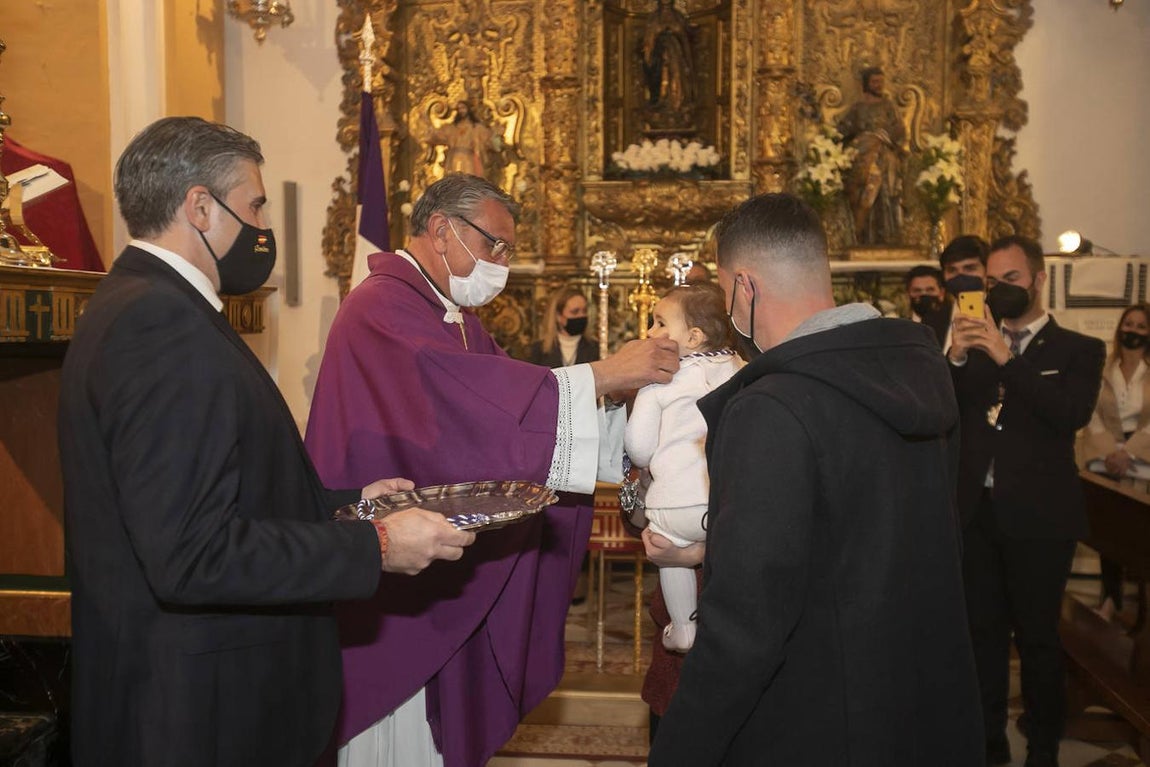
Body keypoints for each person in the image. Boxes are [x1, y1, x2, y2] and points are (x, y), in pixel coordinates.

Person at [56, 117, 475, 767]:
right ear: (200, 207)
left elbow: (216, 492)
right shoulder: (160, 325)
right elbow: (192, 553)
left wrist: (348, 502)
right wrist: (378, 545)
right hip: (201, 719)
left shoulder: (143, 304)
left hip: (198, 703)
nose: (260, 226)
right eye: (252, 205)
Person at [304, 173, 679, 767]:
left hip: (426, 563)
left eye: (509, 248)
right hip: (390, 581)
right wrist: (604, 375)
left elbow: (507, 409)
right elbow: (479, 407)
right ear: (440, 229)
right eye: (494, 245)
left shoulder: (446, 313)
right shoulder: (382, 305)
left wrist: (631, 423)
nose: (502, 262)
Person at [647, 193, 983, 766]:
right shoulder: (920, 370)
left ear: (745, 288)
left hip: (815, 717)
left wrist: (679, 750)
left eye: (727, 293)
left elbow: (748, 620)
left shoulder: (772, 406)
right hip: (917, 701)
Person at [948, 235, 1105, 767]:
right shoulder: (976, 337)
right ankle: (989, 745)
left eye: (1010, 279)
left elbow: (1068, 413)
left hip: (1040, 518)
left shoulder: (1079, 350)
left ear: (1039, 279)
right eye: (992, 281)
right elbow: (946, 410)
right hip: (978, 514)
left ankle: (1043, 748)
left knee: (1038, 639)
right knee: (983, 637)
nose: (999, 289)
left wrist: (1003, 355)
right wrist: (957, 354)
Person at [624, 284, 742, 652]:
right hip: (725, 505)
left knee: (666, 550)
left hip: (671, 505)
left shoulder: (659, 380)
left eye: (660, 323)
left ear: (693, 336)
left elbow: (640, 450)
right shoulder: (743, 369)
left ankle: (683, 625)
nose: (649, 332)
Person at [1081, 303, 1150, 620]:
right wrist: (1111, 451)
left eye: (1140, 326)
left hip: (1142, 458)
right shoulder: (1103, 369)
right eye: (1128, 324)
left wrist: (1129, 452)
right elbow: (1091, 414)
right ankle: (1112, 599)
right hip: (1105, 458)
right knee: (1109, 531)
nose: (1132, 331)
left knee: (1140, 534)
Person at [837, 67, 907, 245]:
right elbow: (843, 129)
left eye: (881, 82)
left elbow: (899, 129)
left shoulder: (888, 106)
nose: (879, 85)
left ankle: (886, 237)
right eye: (875, 82)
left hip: (883, 159)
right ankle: (861, 235)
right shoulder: (857, 108)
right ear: (866, 84)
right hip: (861, 159)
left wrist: (881, 136)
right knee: (861, 193)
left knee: (882, 192)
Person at [527, 284, 599, 367]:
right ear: (558, 316)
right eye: (575, 312)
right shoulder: (538, 350)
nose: (581, 316)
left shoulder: (596, 349)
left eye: (584, 311)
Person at [642, 0, 695, 113]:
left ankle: (678, 102)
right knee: (660, 79)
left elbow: (686, 39)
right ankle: (660, 101)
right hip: (659, 59)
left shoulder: (679, 17)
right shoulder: (653, 18)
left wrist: (675, 32)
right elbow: (647, 42)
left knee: (677, 79)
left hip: (677, 57)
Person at [427, 101, 493, 177]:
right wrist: (430, 130)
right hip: (453, 159)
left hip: (469, 159)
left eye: (463, 108)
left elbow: (489, 139)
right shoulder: (452, 128)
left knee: (468, 180)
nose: (461, 111)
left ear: (468, 109)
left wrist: (497, 138)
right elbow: (437, 136)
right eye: (459, 109)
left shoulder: (476, 128)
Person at [904, 264, 949, 348]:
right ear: (908, 295)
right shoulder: (901, 328)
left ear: (942, 293)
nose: (924, 294)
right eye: (917, 290)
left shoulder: (952, 325)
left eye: (930, 290)